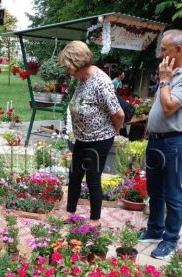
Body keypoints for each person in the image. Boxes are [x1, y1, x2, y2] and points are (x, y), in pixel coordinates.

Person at [140, 29, 182, 260]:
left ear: (179, 49)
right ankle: (154, 231)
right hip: (158, 140)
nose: (161, 53)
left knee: (172, 194)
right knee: (154, 190)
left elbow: (169, 107)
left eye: (164, 49)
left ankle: (170, 240)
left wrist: (165, 80)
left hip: (175, 142)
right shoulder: (172, 69)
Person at [60, 41, 125, 224]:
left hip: (99, 138)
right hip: (83, 137)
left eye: (68, 66)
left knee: (92, 179)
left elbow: (118, 114)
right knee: (74, 176)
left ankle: (94, 221)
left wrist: (114, 132)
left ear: (76, 63)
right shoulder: (82, 79)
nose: (67, 70)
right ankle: (70, 214)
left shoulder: (101, 82)